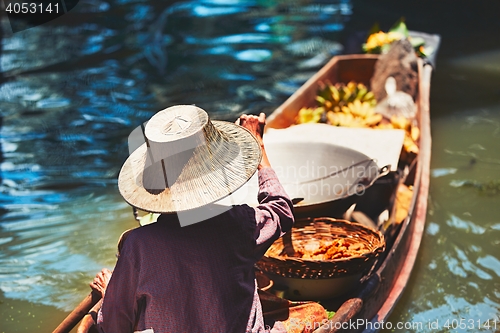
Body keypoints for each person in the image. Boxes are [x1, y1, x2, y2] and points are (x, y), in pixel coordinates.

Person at [80, 105, 294, 333]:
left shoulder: (138, 245)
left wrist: (110, 292)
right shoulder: (239, 223)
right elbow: (281, 209)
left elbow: (114, 326)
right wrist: (258, 145)